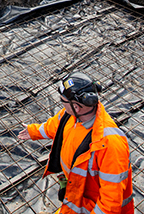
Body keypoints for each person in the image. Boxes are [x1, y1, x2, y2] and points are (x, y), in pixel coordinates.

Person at [18, 72, 134, 214]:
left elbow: (110, 203)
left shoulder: (109, 144)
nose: (61, 104)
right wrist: (33, 131)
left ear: (77, 107)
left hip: (90, 207)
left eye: (63, 101)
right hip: (76, 197)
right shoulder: (71, 115)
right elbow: (54, 125)